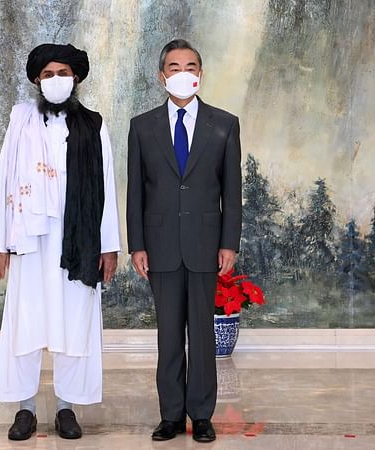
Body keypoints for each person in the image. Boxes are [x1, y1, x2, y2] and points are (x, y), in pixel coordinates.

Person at [0, 43, 120, 441]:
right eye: (48, 74)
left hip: (78, 241)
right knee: (25, 321)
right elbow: (4, 178)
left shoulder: (93, 125)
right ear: (37, 81)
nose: (56, 80)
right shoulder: (21, 121)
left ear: (75, 78)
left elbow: (106, 188)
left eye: (63, 73)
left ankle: (66, 408)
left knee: (73, 322)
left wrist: (108, 245)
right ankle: (24, 409)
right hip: (28, 239)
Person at [126, 39, 242, 443]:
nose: (182, 73)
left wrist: (229, 243)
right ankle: (171, 415)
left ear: (201, 74)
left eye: (190, 66)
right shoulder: (141, 127)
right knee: (169, 335)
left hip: (205, 244)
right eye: (174, 67)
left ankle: (202, 415)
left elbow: (232, 189)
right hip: (160, 247)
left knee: (203, 336)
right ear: (162, 77)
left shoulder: (224, 124)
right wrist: (137, 244)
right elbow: (136, 191)